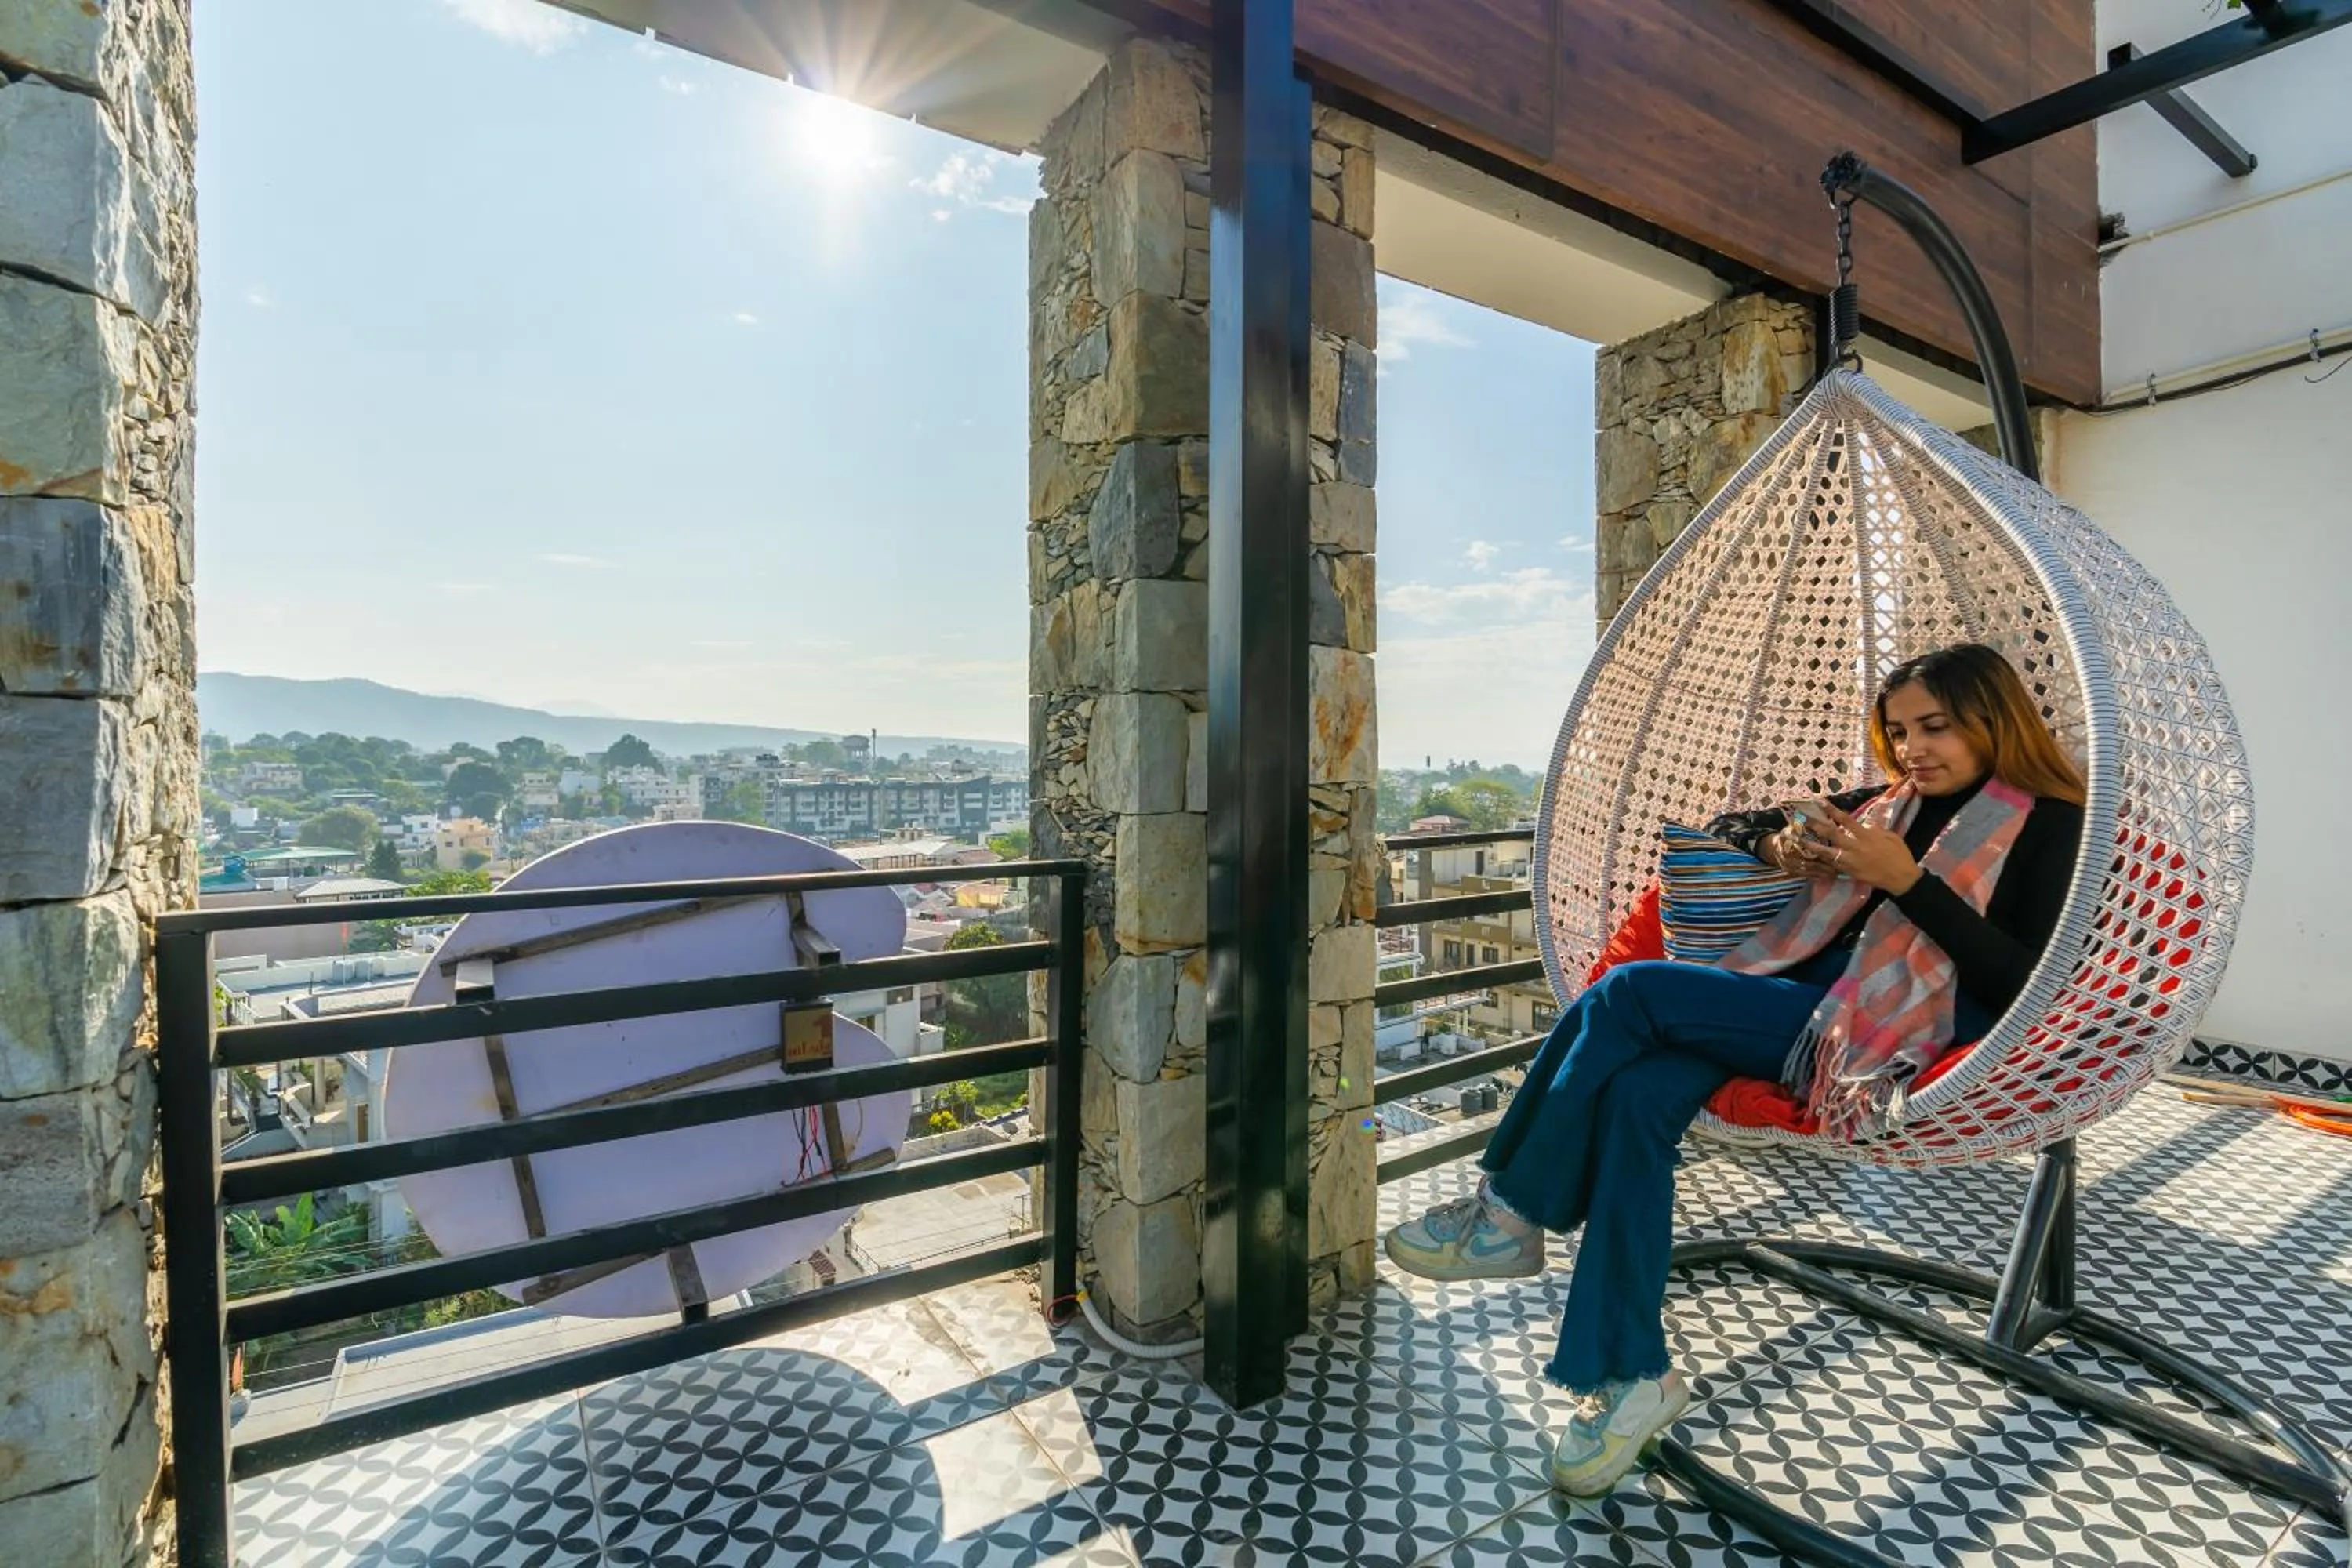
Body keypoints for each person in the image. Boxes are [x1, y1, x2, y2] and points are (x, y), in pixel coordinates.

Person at [1383, 643, 2085, 1496]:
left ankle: (1513, 1207)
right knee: (1636, 1093)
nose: (1912, 750)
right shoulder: (1887, 805)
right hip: (1793, 1000)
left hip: (1896, 1033)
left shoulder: (2052, 823)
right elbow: (1734, 825)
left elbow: (2026, 982)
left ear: (1992, 719)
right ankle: (1631, 1375)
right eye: (1899, 731)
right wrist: (1781, 845)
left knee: (1630, 993)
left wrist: (1909, 884)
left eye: (1935, 727)